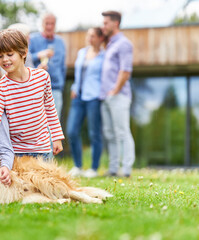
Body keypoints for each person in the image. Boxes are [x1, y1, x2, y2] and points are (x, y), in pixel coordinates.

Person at [0, 29, 64, 159]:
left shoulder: (42, 77)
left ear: (24, 52)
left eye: (9, 54)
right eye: (0, 56)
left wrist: (57, 137)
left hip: (44, 149)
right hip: (17, 154)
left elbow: (50, 109)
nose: (5, 60)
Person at [100, 11, 135, 177]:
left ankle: (126, 169)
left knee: (122, 132)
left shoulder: (124, 44)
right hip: (106, 97)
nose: (103, 26)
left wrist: (115, 90)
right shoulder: (110, 44)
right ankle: (113, 169)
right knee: (110, 134)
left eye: (106, 23)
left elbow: (125, 71)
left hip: (119, 96)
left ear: (115, 23)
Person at [67, 27, 105, 178]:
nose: (90, 38)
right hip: (78, 96)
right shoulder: (82, 52)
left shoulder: (104, 56)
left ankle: (94, 168)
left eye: (93, 36)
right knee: (72, 131)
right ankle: (78, 166)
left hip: (94, 97)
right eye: (88, 35)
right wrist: (74, 87)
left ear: (100, 38)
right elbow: (78, 74)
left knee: (94, 133)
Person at [29, 13, 66, 118]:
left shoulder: (60, 42)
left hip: (55, 89)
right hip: (36, 89)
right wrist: (39, 55)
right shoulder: (32, 39)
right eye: (47, 23)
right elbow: (24, 58)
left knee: (54, 124)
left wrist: (61, 84)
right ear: (41, 24)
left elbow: (63, 66)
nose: (49, 26)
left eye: (52, 24)